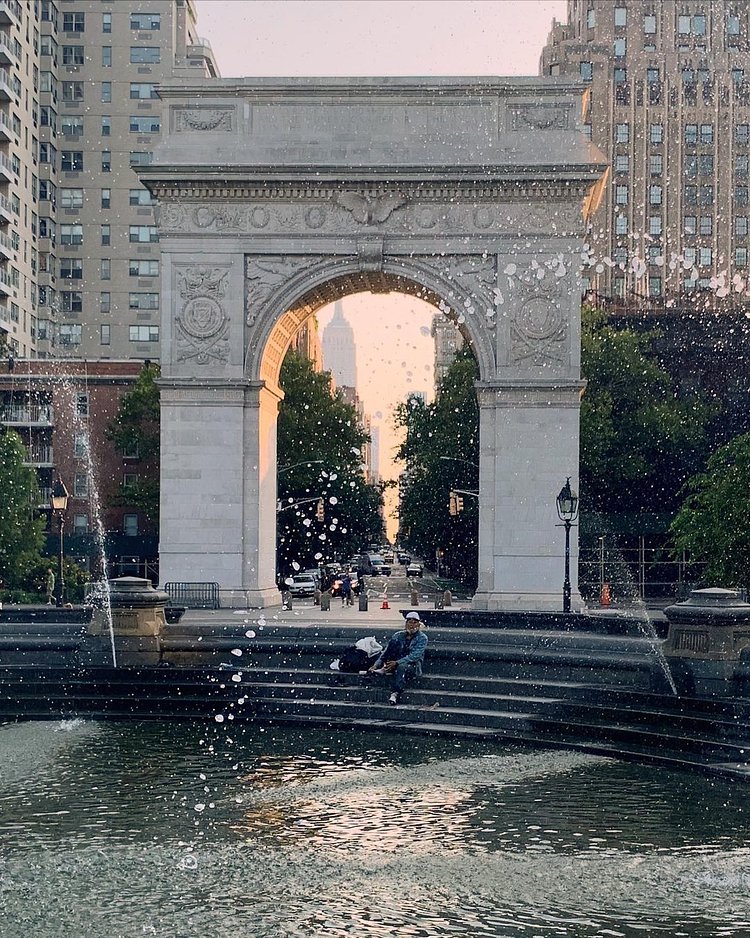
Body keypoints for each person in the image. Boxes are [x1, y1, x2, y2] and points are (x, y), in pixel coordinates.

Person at [368, 611, 427, 705]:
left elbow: (415, 656)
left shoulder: (422, 638)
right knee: (393, 643)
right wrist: (376, 665)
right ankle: (384, 668)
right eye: (409, 622)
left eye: (414, 622)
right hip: (394, 662)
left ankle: (395, 692)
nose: (412, 625)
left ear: (418, 624)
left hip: (411, 665)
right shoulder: (398, 635)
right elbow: (386, 652)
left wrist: (397, 662)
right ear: (406, 623)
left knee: (401, 667)